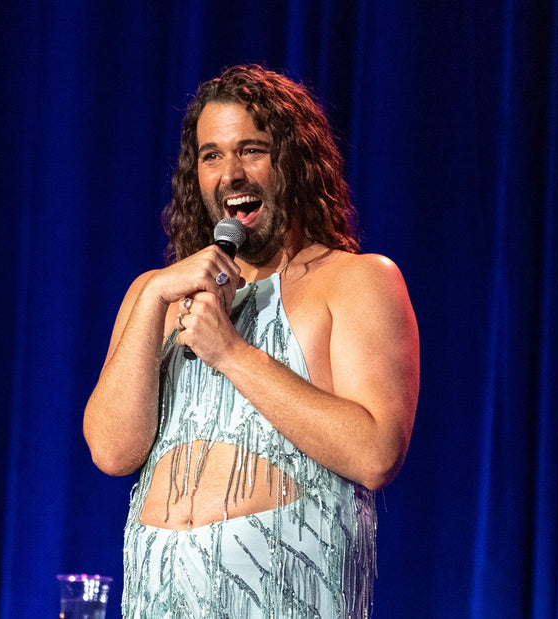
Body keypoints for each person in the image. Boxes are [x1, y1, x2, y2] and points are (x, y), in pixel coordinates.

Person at [83, 64, 419, 618]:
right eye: (211, 155)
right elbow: (112, 451)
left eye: (252, 150)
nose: (230, 174)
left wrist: (232, 354)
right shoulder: (160, 296)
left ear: (293, 162)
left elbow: (376, 453)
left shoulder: (358, 280)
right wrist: (151, 298)